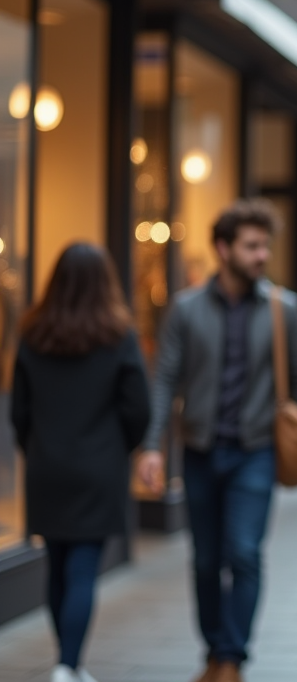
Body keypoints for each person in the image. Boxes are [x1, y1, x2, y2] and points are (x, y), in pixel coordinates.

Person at [136, 200, 297, 682]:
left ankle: (233, 659)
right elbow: (164, 380)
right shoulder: (186, 308)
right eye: (252, 246)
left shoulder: (285, 308)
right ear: (223, 249)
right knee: (204, 560)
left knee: (243, 552)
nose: (262, 255)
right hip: (198, 451)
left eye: (265, 246)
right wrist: (153, 445)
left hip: (255, 452)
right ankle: (213, 651)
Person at [11, 244, 150, 682]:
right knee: (83, 569)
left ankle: (64, 661)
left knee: (57, 564)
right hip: (99, 468)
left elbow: (19, 410)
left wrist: (34, 448)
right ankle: (69, 665)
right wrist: (121, 448)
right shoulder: (118, 335)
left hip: (47, 466)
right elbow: (138, 408)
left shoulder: (34, 334)